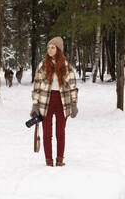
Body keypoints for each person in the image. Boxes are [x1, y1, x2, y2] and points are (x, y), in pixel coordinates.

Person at [30, 36, 79, 167]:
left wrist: (74, 103)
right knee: (47, 133)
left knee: (60, 132)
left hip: (63, 102)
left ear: (58, 49)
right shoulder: (42, 65)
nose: (50, 50)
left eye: (53, 47)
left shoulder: (66, 66)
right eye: (48, 48)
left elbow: (73, 86)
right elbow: (36, 86)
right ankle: (48, 161)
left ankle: (59, 159)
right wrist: (35, 104)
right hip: (46, 102)